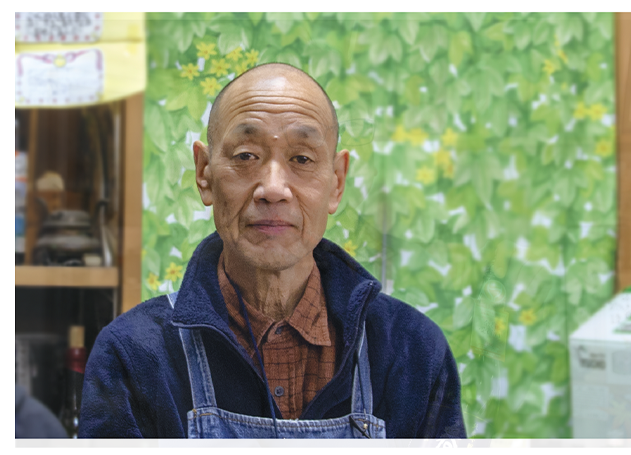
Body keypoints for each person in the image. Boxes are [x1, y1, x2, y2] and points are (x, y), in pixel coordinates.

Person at [79, 63, 466, 439]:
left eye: (302, 159)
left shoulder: (413, 352)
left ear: (336, 182)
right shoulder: (134, 355)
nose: (274, 188)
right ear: (204, 173)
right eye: (246, 156)